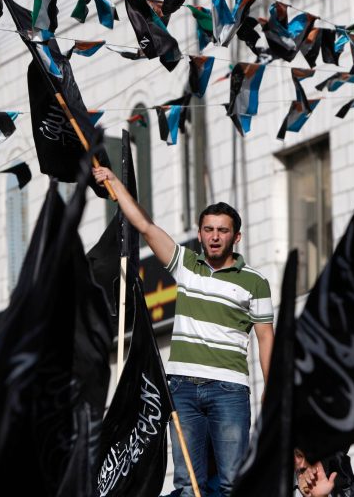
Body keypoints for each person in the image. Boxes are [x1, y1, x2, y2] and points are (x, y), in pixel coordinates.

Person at [93, 167, 274, 497]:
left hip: (229, 391)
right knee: (188, 485)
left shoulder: (255, 282)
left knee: (233, 482)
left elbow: (265, 338)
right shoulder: (187, 266)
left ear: (237, 237)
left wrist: (272, 387)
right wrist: (115, 184)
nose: (214, 236)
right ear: (201, 233)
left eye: (222, 230)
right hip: (183, 390)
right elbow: (146, 228)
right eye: (208, 230)